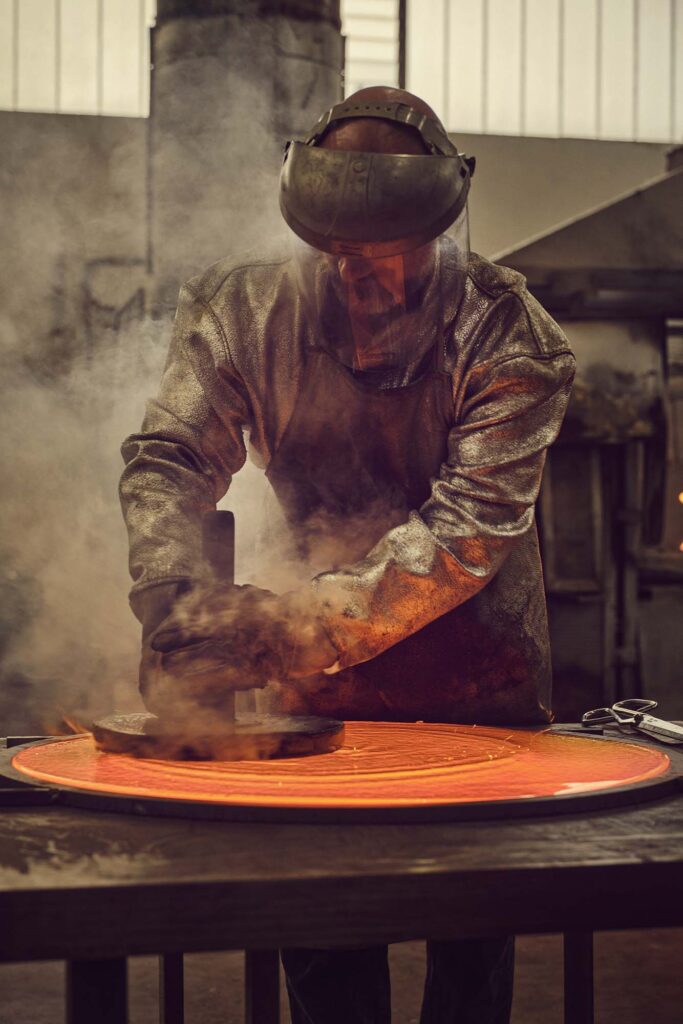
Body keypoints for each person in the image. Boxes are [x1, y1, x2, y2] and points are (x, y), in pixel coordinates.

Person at [120, 86, 575, 1024]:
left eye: (391, 256)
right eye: (338, 256)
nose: (365, 281)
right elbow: (171, 453)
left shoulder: (510, 335)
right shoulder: (240, 311)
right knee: (326, 940)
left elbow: (465, 533)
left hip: (475, 679)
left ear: (441, 227)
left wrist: (284, 629)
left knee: (468, 945)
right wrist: (170, 591)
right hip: (322, 691)